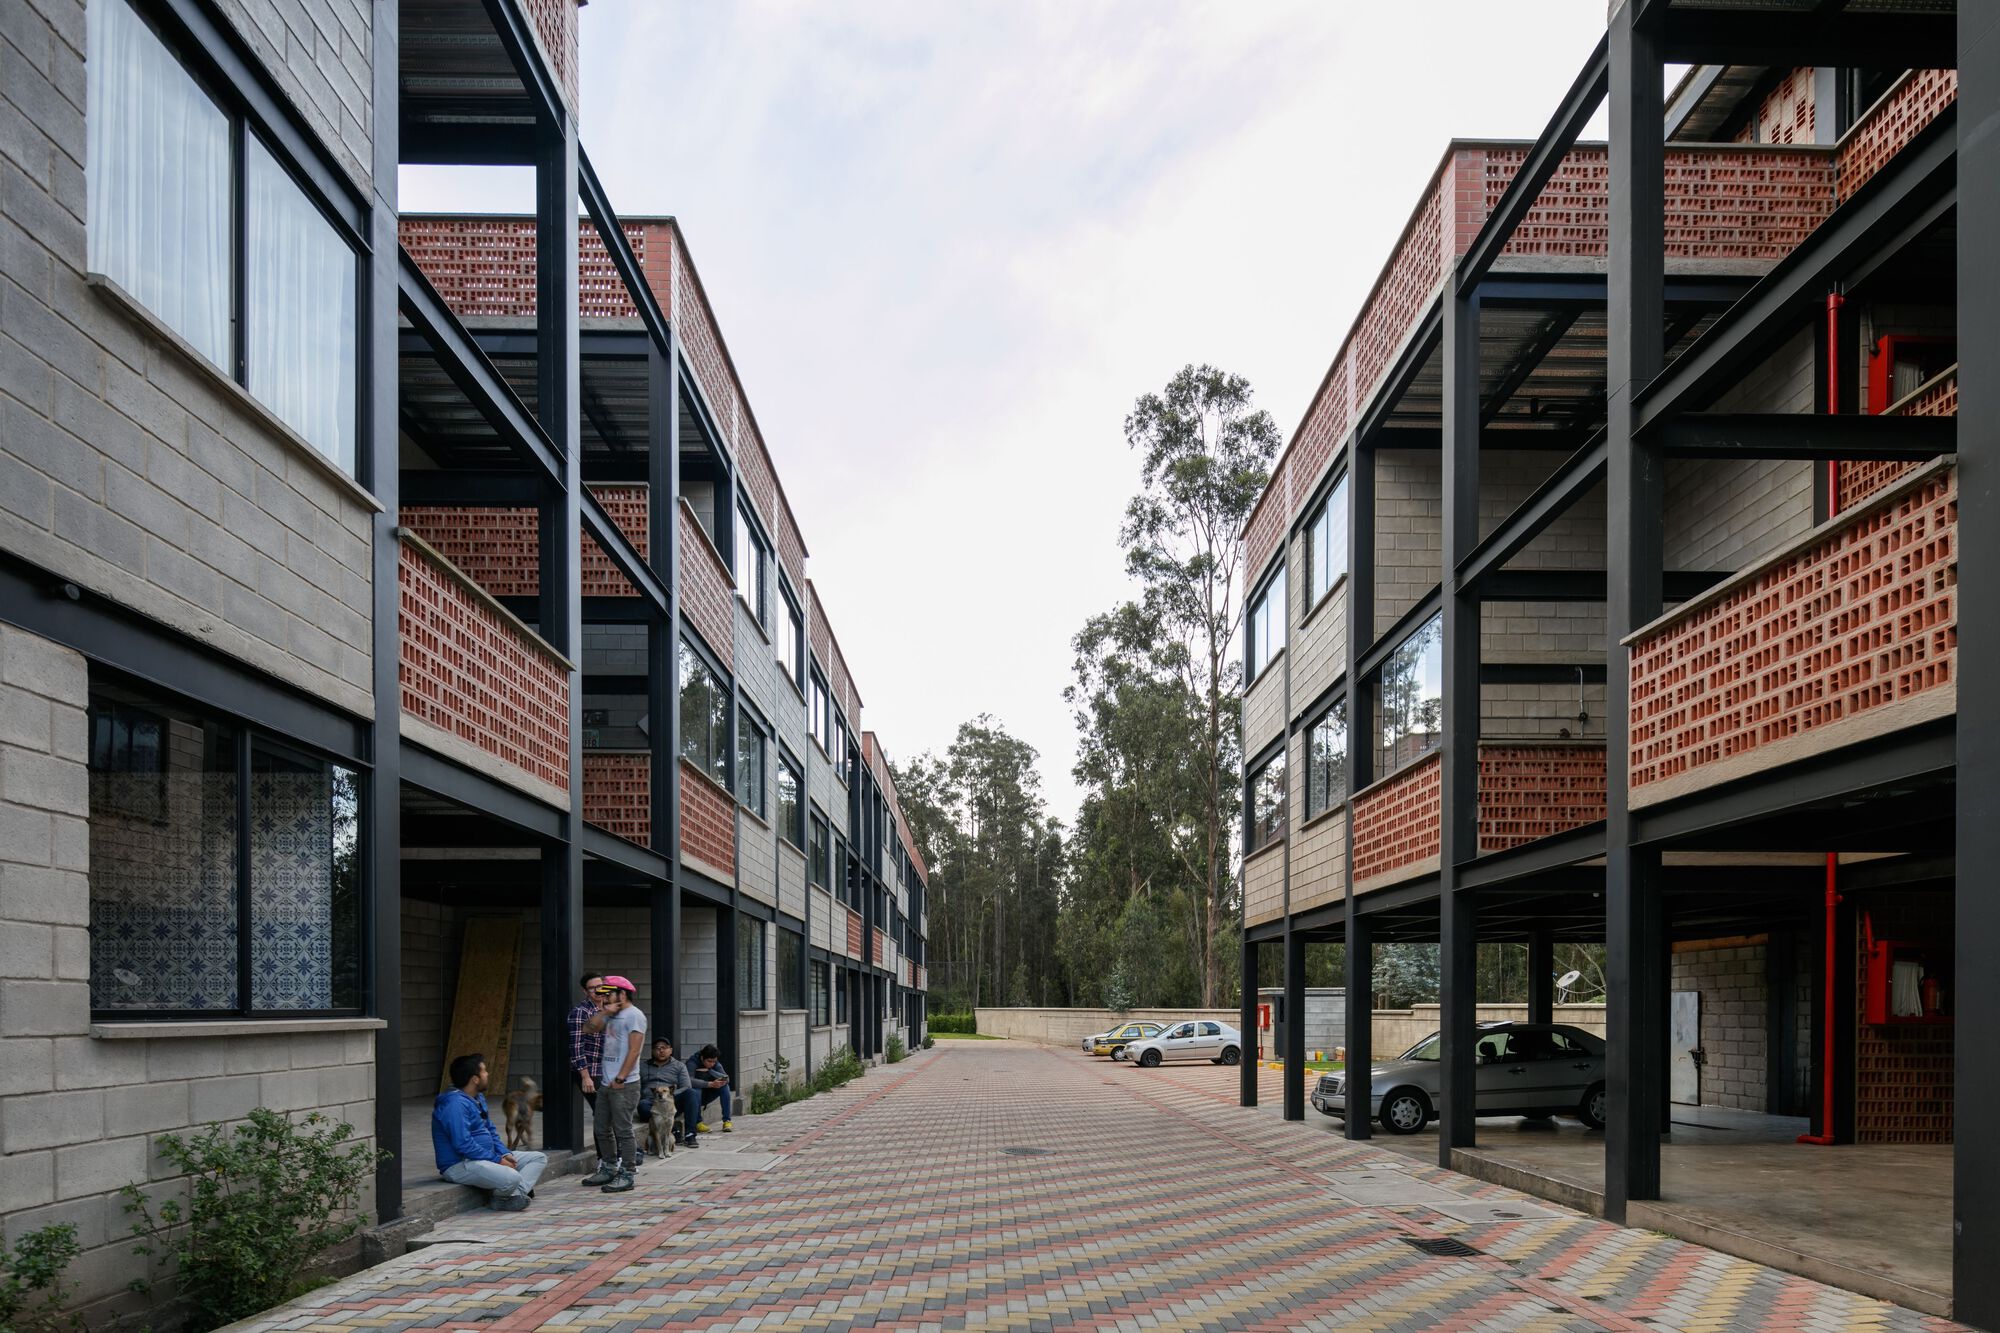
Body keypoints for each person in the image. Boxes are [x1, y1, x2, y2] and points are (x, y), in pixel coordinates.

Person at [433, 1053, 547, 1211]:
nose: (488, 1074)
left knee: (538, 1158)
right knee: (512, 1177)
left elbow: (490, 1131)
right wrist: (497, 1160)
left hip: (485, 1157)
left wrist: (504, 1153)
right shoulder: (454, 1105)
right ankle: (503, 1197)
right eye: (484, 1071)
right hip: (460, 1164)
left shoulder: (476, 1097)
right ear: (475, 1079)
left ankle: (514, 1194)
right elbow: (463, 1144)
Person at [580, 975, 645, 1192]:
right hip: (606, 1082)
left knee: (623, 1130)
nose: (604, 997)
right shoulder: (612, 1014)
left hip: (624, 1084)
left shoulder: (634, 1015)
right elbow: (588, 1028)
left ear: (622, 994)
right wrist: (605, 1012)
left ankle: (627, 1172)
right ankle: (608, 1167)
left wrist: (621, 1078)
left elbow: (634, 1050)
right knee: (601, 1129)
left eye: (608, 993)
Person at [638, 1036, 702, 1148]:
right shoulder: (643, 1066)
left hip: (671, 1102)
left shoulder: (679, 1066)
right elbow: (636, 1086)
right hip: (651, 1102)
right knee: (642, 1106)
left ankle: (690, 1134)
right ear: (652, 1051)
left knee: (692, 1093)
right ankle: (673, 1128)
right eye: (657, 1048)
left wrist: (668, 1095)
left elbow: (686, 1086)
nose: (661, 1050)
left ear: (670, 1050)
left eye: (664, 1047)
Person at [566, 971, 606, 1111]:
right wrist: (585, 1077)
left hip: (608, 1069)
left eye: (600, 986)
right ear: (585, 991)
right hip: (591, 1070)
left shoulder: (609, 1008)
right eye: (592, 988)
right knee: (602, 1111)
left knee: (611, 1112)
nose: (597, 990)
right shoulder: (581, 1012)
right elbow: (576, 1047)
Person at [690, 1044, 734, 1133]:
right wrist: (709, 1084)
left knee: (725, 1087)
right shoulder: (692, 1062)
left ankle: (727, 1121)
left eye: (714, 1061)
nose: (712, 1064)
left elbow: (726, 1078)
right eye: (709, 1061)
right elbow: (689, 1080)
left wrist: (710, 1071)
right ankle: (698, 1123)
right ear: (702, 1058)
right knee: (695, 1090)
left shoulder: (715, 1064)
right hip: (694, 1097)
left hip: (708, 1093)